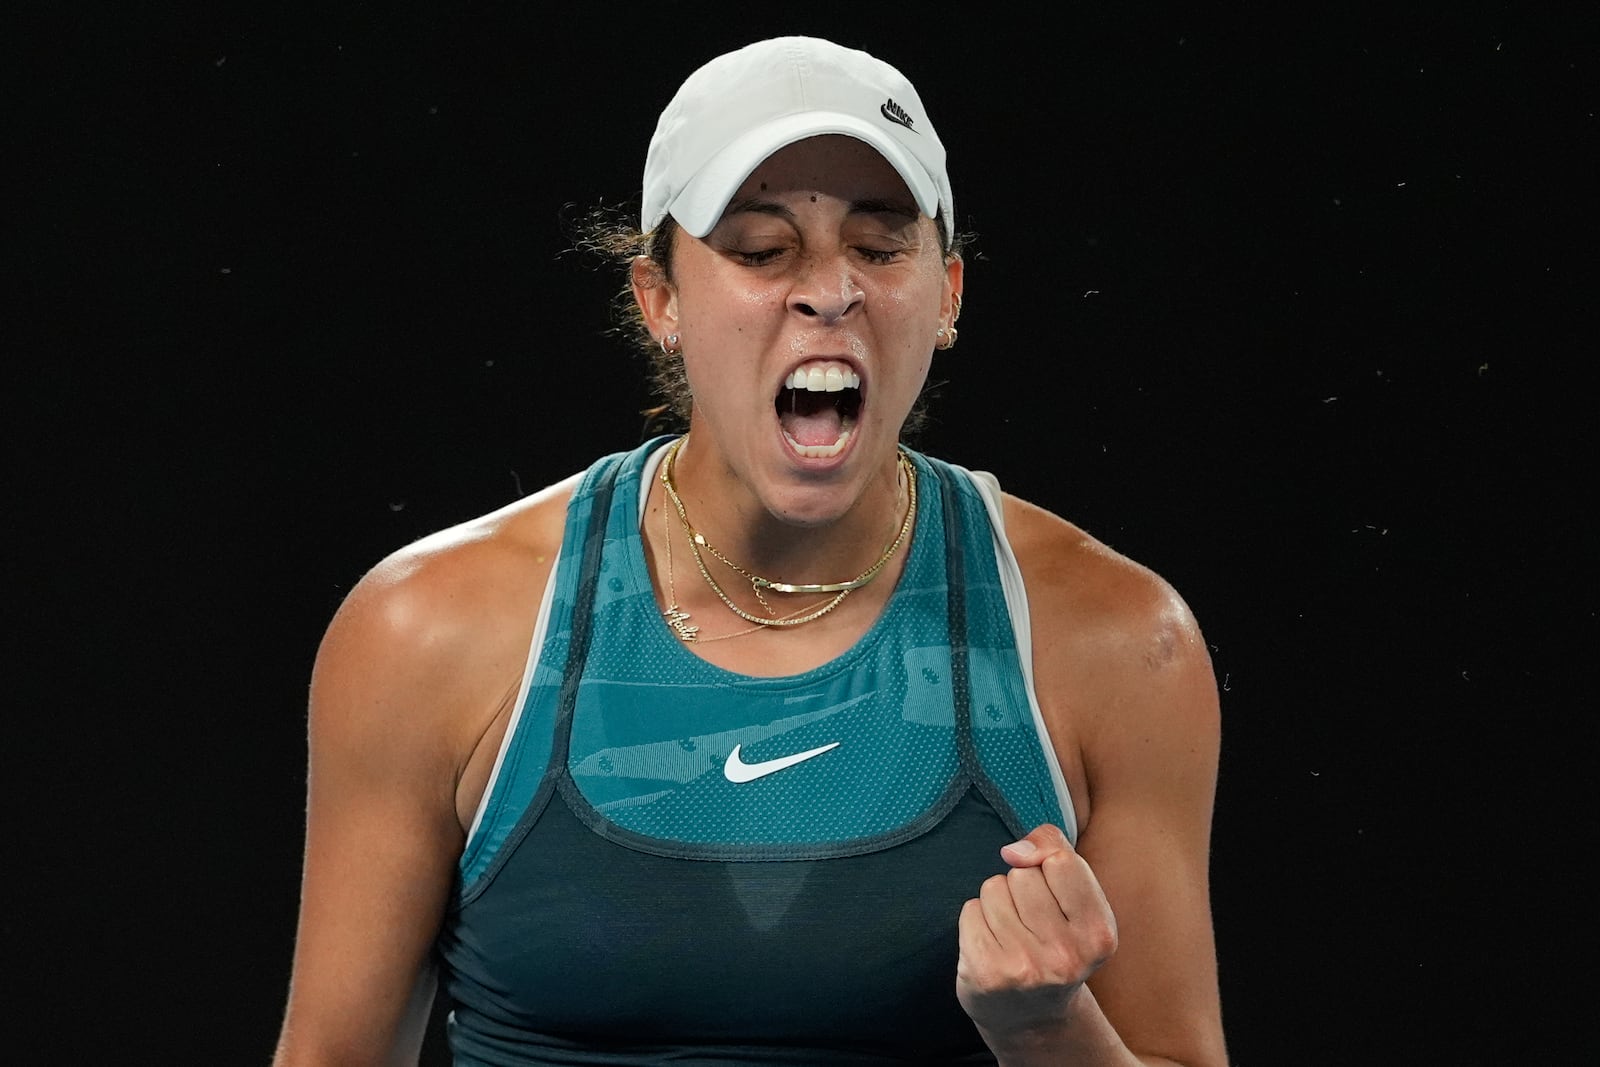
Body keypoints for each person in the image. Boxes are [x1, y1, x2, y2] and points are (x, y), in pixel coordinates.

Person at [272, 35, 1227, 1067]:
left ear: (946, 293)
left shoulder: (1118, 642)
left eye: (878, 245)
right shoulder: (429, 629)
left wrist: (1049, 1027)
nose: (828, 292)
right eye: (761, 250)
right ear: (659, 301)